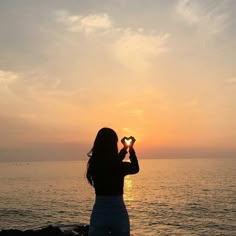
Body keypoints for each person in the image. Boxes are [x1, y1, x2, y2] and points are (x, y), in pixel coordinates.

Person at [86, 127, 139, 236]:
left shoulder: (94, 164)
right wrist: (130, 149)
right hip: (118, 213)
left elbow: (109, 163)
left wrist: (124, 150)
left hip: (99, 213)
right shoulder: (117, 166)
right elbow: (135, 168)